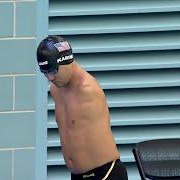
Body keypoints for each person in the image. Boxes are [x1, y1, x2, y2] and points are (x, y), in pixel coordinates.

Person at [36, 35, 128, 180]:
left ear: (67, 61)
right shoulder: (56, 89)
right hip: (78, 175)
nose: (50, 78)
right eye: (45, 73)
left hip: (104, 174)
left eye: (53, 71)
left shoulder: (88, 89)